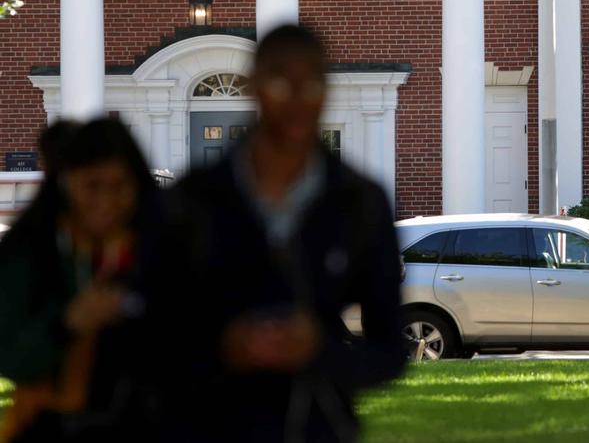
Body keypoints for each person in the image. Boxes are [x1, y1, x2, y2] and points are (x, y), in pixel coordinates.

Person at [148, 24, 404, 443]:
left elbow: (389, 352)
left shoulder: (359, 202)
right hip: (210, 426)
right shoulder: (193, 201)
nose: (298, 101)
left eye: (312, 84)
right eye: (281, 82)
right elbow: (150, 338)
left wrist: (320, 349)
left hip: (316, 426)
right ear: (253, 87)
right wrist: (227, 347)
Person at [0, 119, 160, 442]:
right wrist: (67, 323)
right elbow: (9, 357)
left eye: (118, 186)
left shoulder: (165, 246)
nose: (105, 201)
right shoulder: (30, 252)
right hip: (49, 424)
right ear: (67, 183)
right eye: (92, 186)